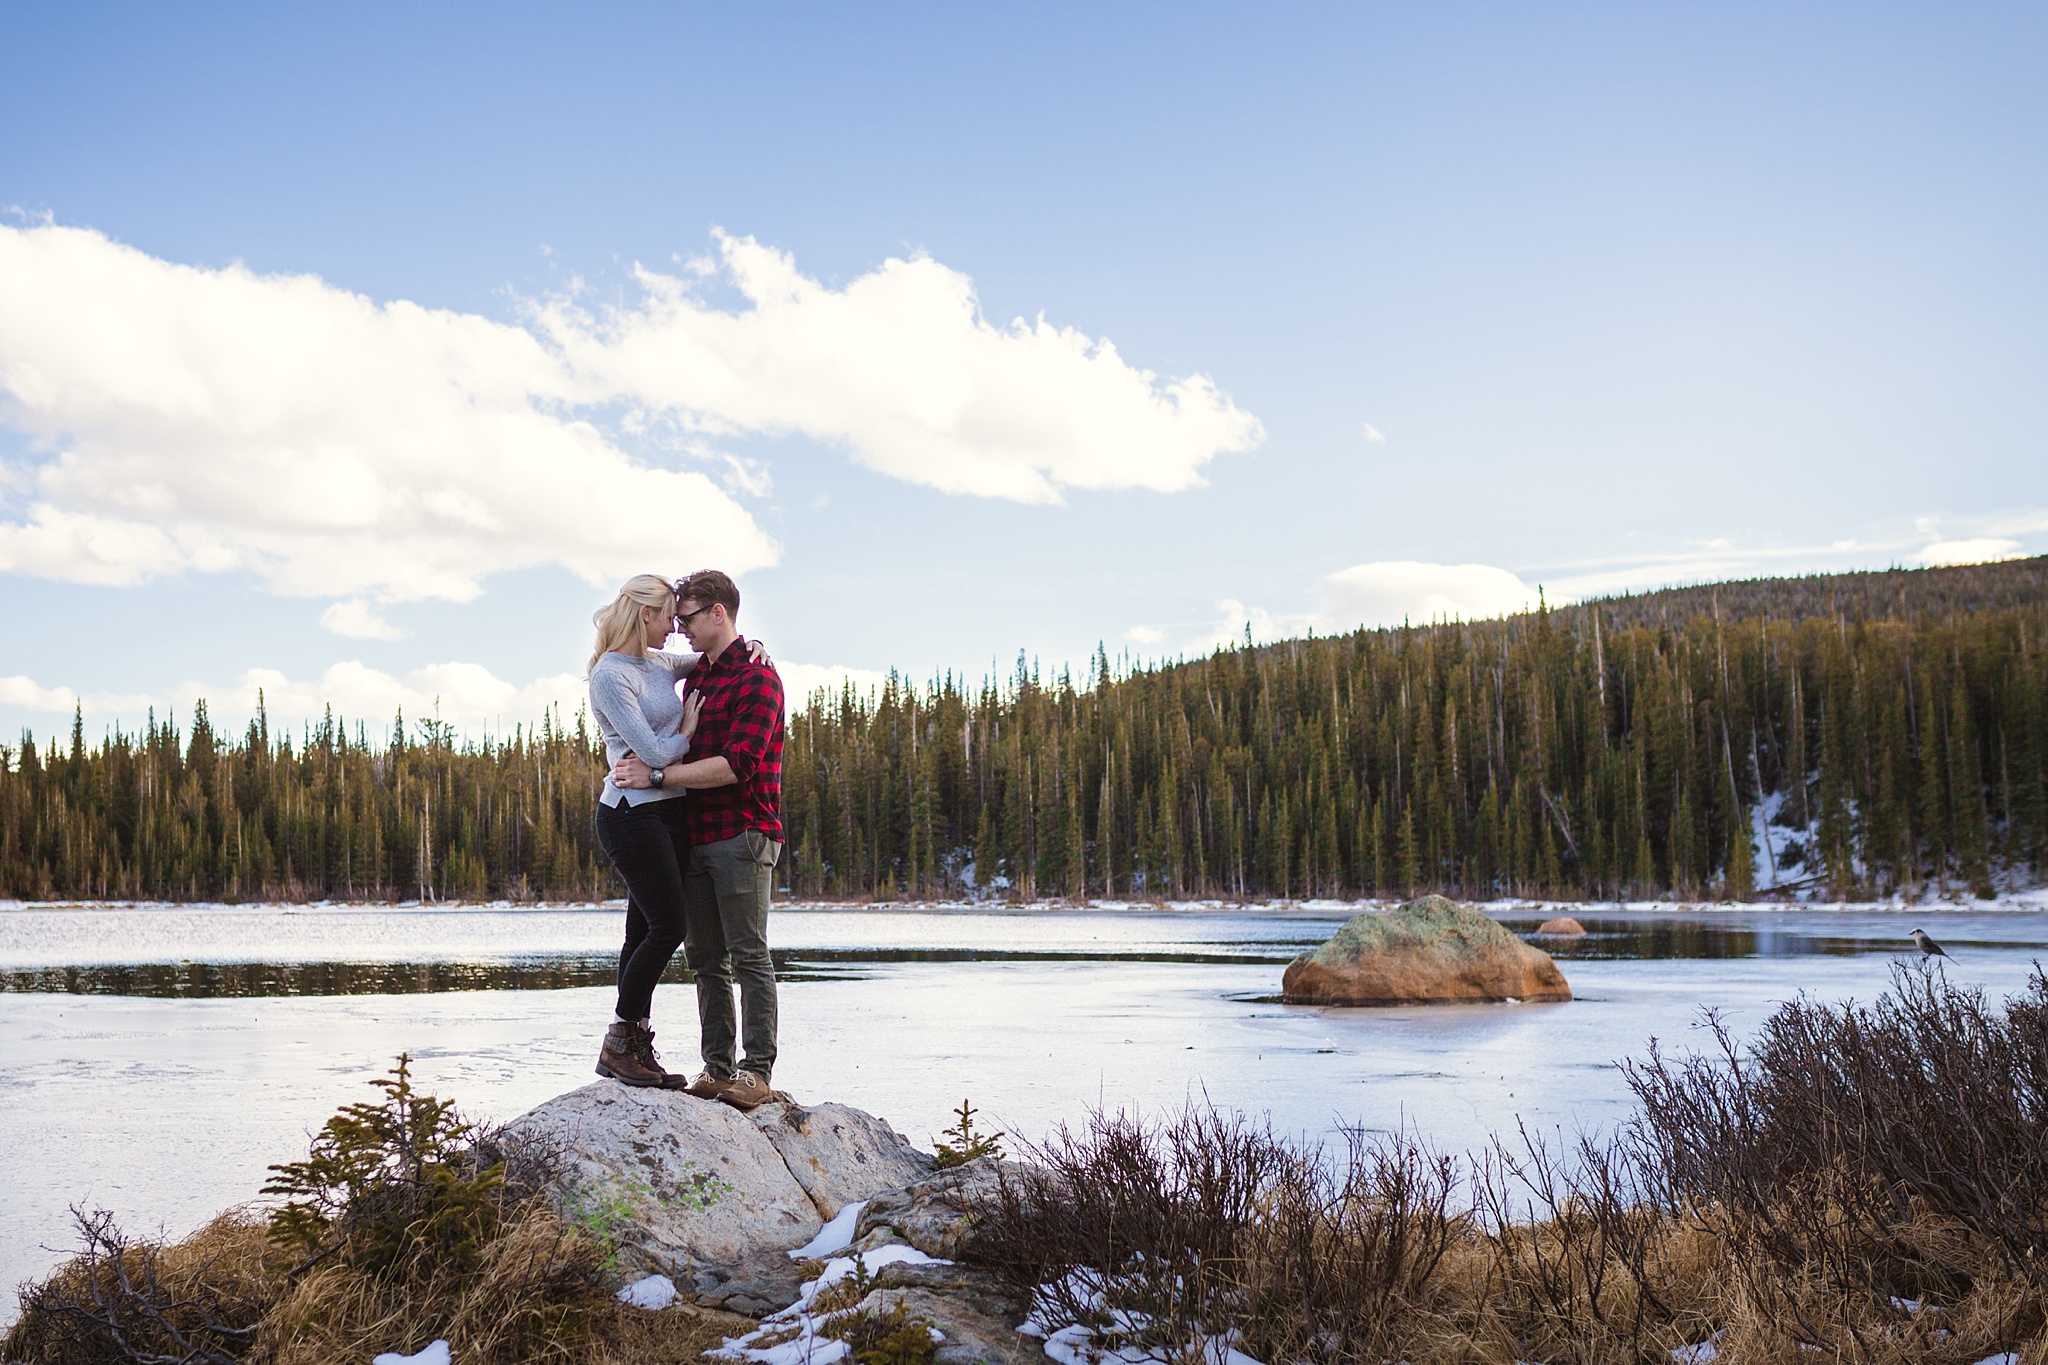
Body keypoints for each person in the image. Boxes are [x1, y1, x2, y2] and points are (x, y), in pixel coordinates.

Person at [612, 568, 785, 1111]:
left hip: (743, 834)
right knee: (706, 958)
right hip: (693, 836)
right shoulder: (699, 678)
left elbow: (738, 765)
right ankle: (717, 1070)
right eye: (675, 618)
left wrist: (659, 777)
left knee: (749, 954)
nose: (680, 628)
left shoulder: (759, 679)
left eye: (687, 617)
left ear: (719, 613)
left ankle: (755, 1074)